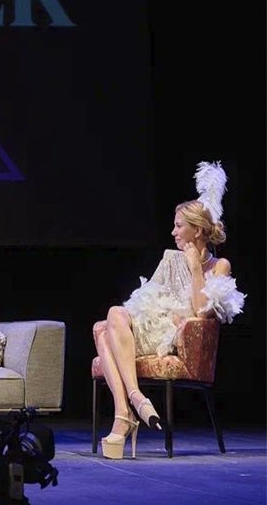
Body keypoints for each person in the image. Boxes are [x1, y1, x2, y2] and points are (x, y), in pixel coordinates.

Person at [94, 161, 245, 459]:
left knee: (104, 328)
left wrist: (195, 268)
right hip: (153, 327)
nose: (173, 232)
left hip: (175, 340)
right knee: (109, 320)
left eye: (179, 226)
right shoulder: (169, 259)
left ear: (197, 230)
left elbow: (202, 312)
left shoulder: (220, 266)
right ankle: (131, 405)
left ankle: (126, 415)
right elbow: (144, 300)